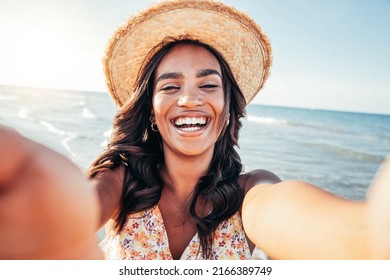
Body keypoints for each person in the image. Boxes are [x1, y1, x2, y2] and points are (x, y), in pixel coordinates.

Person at [0, 0, 389, 260]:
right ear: (150, 111)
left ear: (227, 107)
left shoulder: (252, 193)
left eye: (208, 84)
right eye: (170, 86)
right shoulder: (120, 181)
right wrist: (44, 214)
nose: (189, 99)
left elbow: (302, 221)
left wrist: (367, 236)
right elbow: (75, 212)